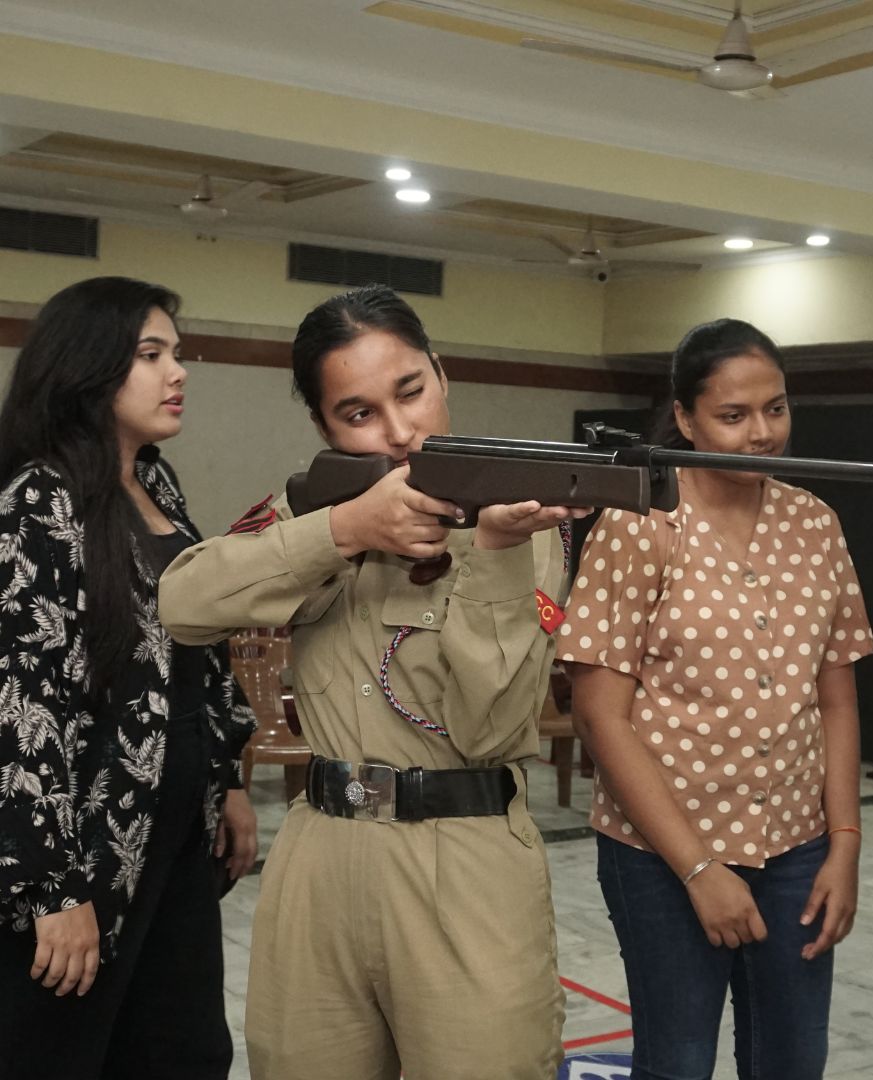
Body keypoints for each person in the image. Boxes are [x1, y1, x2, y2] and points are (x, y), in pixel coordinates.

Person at [157, 283, 584, 1080]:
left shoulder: (518, 524)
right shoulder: (310, 510)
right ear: (323, 426)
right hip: (319, 849)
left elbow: (491, 731)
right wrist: (341, 530)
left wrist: (491, 555)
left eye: (411, 391)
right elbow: (182, 604)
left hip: (464, 853)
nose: (398, 431)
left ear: (442, 375)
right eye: (358, 414)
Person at [557, 318, 873, 1080]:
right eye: (734, 416)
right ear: (686, 418)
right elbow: (602, 717)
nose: (762, 433)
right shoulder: (639, 524)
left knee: (792, 1059)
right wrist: (701, 870)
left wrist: (845, 843)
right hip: (660, 856)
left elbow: (835, 699)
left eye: (777, 408)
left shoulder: (815, 524)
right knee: (678, 1061)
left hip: (798, 848)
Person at [0, 276, 258, 1080]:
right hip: (86, 840)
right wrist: (50, 889)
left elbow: (201, 652)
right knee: (66, 1050)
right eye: (151, 355)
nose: (177, 372)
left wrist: (231, 779)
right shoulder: (38, 501)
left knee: (183, 1050)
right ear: (88, 366)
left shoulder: (158, 484)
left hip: (174, 830)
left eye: (178, 354)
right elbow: (19, 707)